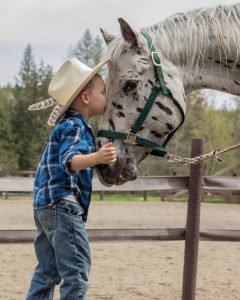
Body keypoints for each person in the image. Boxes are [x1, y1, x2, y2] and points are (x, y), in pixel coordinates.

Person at [25, 57, 117, 300]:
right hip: (63, 206)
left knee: (47, 271)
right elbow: (70, 161)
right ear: (86, 98)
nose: (106, 96)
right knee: (76, 271)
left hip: (44, 207)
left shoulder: (63, 127)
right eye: (103, 91)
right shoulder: (77, 127)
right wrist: (97, 157)